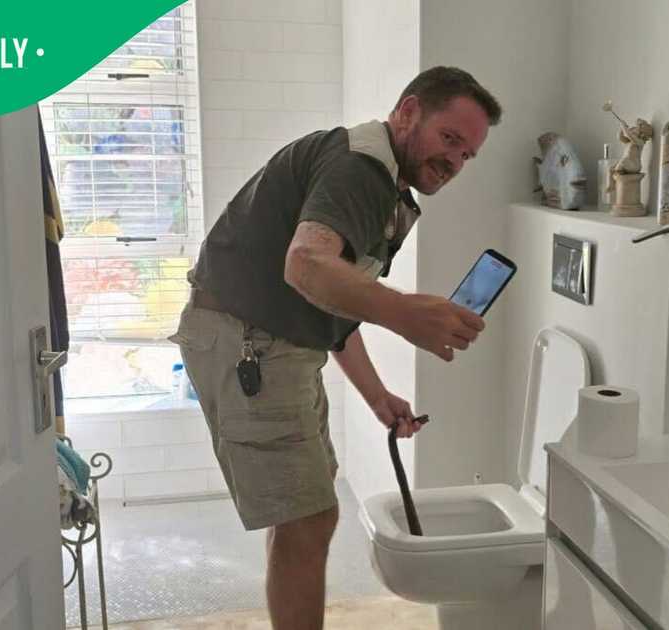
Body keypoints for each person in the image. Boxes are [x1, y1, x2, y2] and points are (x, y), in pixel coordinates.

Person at [168, 66, 502, 630]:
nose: (455, 162)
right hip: (251, 344)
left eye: (468, 155)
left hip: (278, 346)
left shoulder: (390, 188)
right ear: (408, 112)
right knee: (308, 519)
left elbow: (334, 301)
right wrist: (405, 314)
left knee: (305, 517)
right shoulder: (361, 170)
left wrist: (376, 397)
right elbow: (306, 265)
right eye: (450, 139)